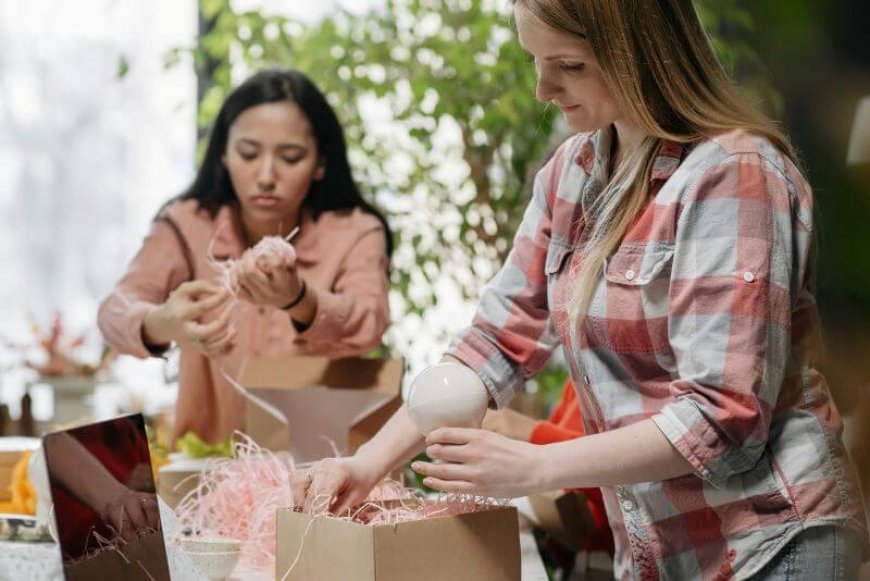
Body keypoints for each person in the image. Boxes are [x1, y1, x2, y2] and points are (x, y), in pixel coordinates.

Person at [294, 1, 870, 579]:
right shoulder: (574, 171)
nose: (544, 88)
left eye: (568, 65)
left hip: (768, 542)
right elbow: (495, 340)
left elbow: (722, 420)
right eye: (536, 61)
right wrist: (368, 464)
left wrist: (537, 465)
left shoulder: (733, 176)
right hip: (661, 550)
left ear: (641, 55)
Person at [98, 69, 393, 445]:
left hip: (320, 472)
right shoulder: (188, 224)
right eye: (249, 154)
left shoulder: (355, 231)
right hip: (204, 470)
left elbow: (368, 322)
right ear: (223, 153)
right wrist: (160, 323)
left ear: (321, 163)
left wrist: (297, 299)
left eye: (290, 157)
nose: (266, 175)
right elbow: (113, 312)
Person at [482, 378, 613, 557]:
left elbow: (624, 474)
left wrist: (532, 431)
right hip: (571, 552)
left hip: (609, 556)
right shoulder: (576, 379)